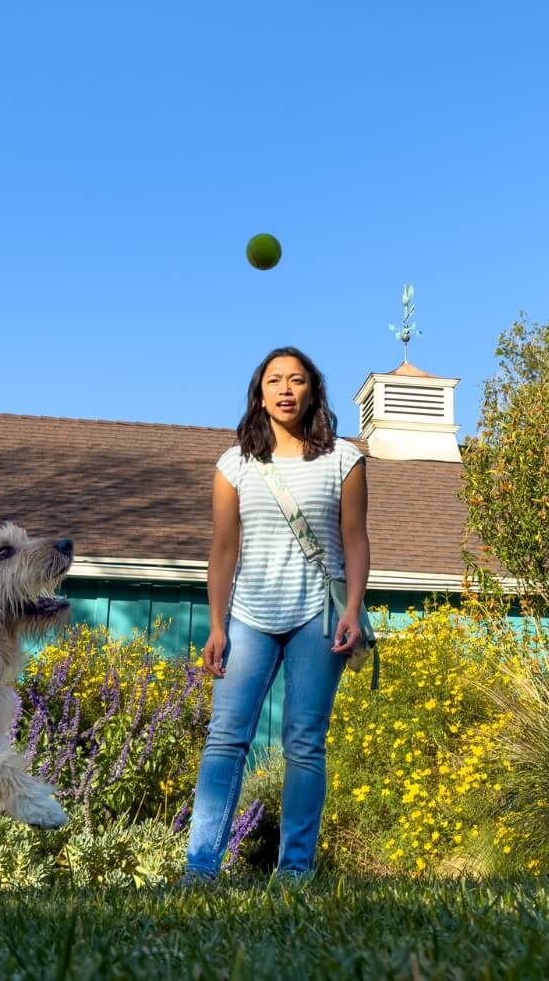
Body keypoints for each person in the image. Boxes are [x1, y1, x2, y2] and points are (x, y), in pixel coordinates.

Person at [178, 345, 368, 884]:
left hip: (318, 618)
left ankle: (294, 873)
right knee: (225, 739)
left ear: (313, 391)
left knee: (304, 744)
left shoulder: (342, 460)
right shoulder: (234, 463)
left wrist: (352, 609)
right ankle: (200, 867)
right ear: (259, 395)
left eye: (297, 380)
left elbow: (355, 542)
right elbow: (222, 551)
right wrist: (217, 625)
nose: (286, 389)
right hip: (248, 616)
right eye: (275, 381)